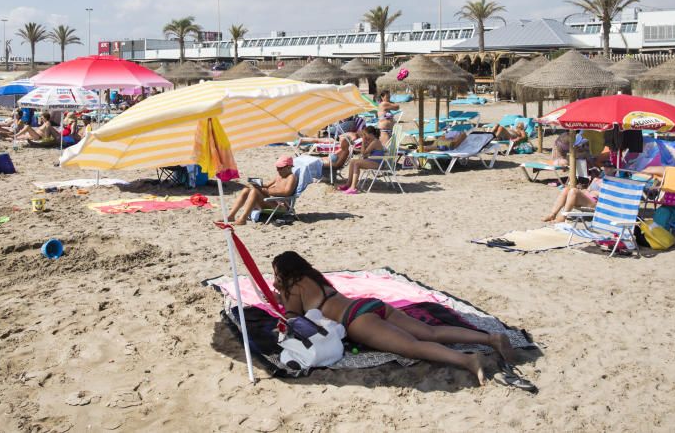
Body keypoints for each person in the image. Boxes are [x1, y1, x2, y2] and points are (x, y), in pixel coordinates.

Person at [271, 251, 519, 387]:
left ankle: (467, 361)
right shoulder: (315, 278)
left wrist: (281, 295)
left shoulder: (293, 286)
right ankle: (491, 338)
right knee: (431, 332)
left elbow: (292, 318)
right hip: (369, 304)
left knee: (412, 347)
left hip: (356, 319)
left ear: (284, 272)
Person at [226, 156, 298, 225]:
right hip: (271, 201)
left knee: (254, 191)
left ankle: (243, 219)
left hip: (280, 206)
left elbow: (286, 192)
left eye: (280, 168)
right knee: (246, 190)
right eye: (277, 168)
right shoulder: (279, 176)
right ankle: (231, 216)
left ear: (289, 167)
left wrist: (267, 191)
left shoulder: (291, 177)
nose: (278, 170)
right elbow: (267, 185)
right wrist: (258, 184)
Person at [542, 163, 615, 222]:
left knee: (574, 191)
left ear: (614, 169)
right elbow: (588, 189)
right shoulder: (597, 178)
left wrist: (595, 192)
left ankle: (563, 217)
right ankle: (553, 214)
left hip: (595, 203)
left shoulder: (613, 182)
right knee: (566, 189)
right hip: (586, 198)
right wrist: (585, 190)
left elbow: (608, 197)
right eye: (605, 165)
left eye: (609, 166)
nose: (606, 167)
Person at [337, 126, 385, 194]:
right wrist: (364, 143)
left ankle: (353, 188)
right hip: (372, 161)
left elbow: (363, 153)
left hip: (377, 163)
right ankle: (348, 184)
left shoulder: (375, 142)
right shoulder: (373, 141)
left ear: (370, 134)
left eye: (365, 134)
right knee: (352, 161)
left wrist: (363, 141)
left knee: (357, 164)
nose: (364, 136)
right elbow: (364, 154)